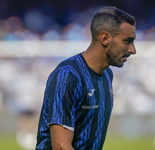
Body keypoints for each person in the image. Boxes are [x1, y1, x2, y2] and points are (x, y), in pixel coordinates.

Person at [35, 6, 136, 150]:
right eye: (127, 41)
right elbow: (60, 146)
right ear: (105, 38)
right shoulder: (67, 76)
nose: (133, 50)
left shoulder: (107, 75)